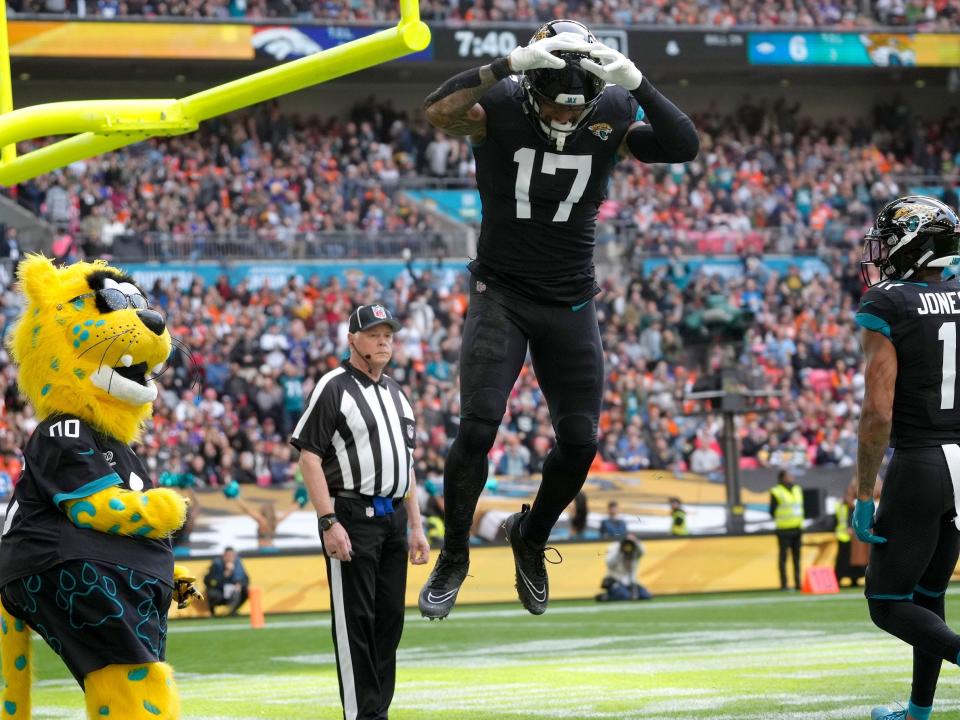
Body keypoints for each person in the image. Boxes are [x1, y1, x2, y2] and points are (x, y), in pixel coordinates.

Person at [418, 18, 698, 619]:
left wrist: (642, 85)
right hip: (503, 293)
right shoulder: (499, 98)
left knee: (581, 441)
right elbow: (437, 111)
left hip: (572, 300)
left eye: (579, 109)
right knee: (478, 426)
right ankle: (456, 554)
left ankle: (532, 537)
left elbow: (683, 146)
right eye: (554, 103)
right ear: (529, 84)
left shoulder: (615, 107)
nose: (567, 119)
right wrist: (503, 66)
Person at [291, 303, 430, 720]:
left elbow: (406, 467)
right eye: (374, 333)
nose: (383, 340)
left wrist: (417, 527)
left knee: (389, 624)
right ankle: (361, 715)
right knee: (356, 623)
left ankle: (378, 711)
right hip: (351, 514)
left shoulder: (397, 393)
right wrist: (328, 520)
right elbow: (309, 458)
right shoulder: (333, 386)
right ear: (353, 339)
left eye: (388, 333)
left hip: (394, 519)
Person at [852, 196, 960, 720]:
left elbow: (877, 412)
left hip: (922, 462)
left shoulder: (889, 302)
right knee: (928, 593)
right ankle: (919, 712)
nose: (882, 249)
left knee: (888, 604)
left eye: (888, 238)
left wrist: (864, 492)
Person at [769, 469, 804, 591]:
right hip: (783, 529)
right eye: (789, 475)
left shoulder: (797, 489)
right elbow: (772, 511)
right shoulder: (776, 491)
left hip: (797, 528)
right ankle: (784, 584)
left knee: (797, 558)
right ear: (782, 477)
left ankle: (798, 583)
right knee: (783, 558)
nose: (791, 477)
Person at [595, 534, 651, 601]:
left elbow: (643, 551)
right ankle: (606, 597)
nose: (628, 546)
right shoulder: (614, 547)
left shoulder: (636, 551)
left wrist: (635, 542)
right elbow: (609, 563)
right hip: (615, 581)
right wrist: (619, 550)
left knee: (645, 595)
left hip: (631, 582)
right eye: (627, 542)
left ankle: (611, 596)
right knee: (625, 596)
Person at [834, 482, 866, 587]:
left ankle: (854, 579)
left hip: (854, 537)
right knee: (842, 560)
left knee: (854, 560)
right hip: (844, 536)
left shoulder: (855, 504)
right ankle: (839, 579)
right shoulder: (842, 505)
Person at [204, 547, 250, 617]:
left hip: (233, 591)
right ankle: (212, 612)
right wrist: (224, 575)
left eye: (232, 556)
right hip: (219, 590)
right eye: (227, 556)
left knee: (245, 591)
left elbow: (246, 579)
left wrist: (239, 583)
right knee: (212, 594)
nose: (229, 558)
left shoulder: (238, 564)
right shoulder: (216, 564)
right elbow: (210, 582)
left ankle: (233, 611)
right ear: (223, 556)